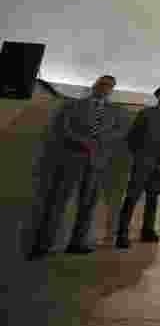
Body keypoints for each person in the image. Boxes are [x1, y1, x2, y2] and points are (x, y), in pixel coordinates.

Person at [27, 74, 125, 259]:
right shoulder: (74, 105)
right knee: (60, 201)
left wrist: (101, 140)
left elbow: (119, 132)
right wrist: (82, 141)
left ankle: (77, 243)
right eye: (102, 84)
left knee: (88, 204)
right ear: (94, 84)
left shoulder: (115, 111)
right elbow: (64, 128)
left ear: (112, 90)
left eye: (109, 86)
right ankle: (44, 244)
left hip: (97, 162)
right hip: (73, 158)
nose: (105, 88)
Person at [116, 82, 160, 249]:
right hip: (143, 161)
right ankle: (122, 234)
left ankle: (148, 231)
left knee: (153, 197)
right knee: (132, 196)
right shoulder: (146, 113)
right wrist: (140, 155)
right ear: (158, 96)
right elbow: (132, 137)